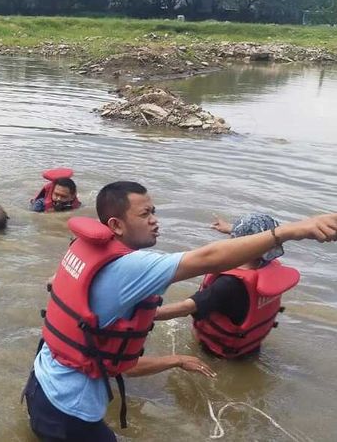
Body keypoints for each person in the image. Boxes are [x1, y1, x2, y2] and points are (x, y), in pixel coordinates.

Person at [25, 181, 337, 441]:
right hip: (68, 410)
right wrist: (289, 231)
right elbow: (209, 258)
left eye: (154, 211)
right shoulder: (132, 267)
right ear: (116, 225)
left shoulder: (84, 251)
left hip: (41, 382)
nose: (155, 220)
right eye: (145, 214)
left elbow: (101, 346)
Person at [154, 213, 301, 358]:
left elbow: (185, 308)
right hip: (251, 349)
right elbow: (259, 242)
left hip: (215, 354)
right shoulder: (268, 270)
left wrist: (147, 314)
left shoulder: (228, 284)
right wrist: (231, 228)